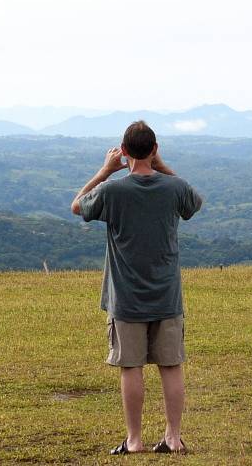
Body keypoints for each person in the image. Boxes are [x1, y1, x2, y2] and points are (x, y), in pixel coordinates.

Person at [70, 120, 203, 455]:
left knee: (131, 367)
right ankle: (173, 437)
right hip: (167, 295)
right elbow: (194, 201)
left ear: (124, 152)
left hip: (126, 297)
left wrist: (104, 170)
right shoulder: (173, 189)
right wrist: (160, 165)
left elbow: (77, 205)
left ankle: (134, 440)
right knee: (171, 365)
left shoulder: (113, 191)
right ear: (155, 149)